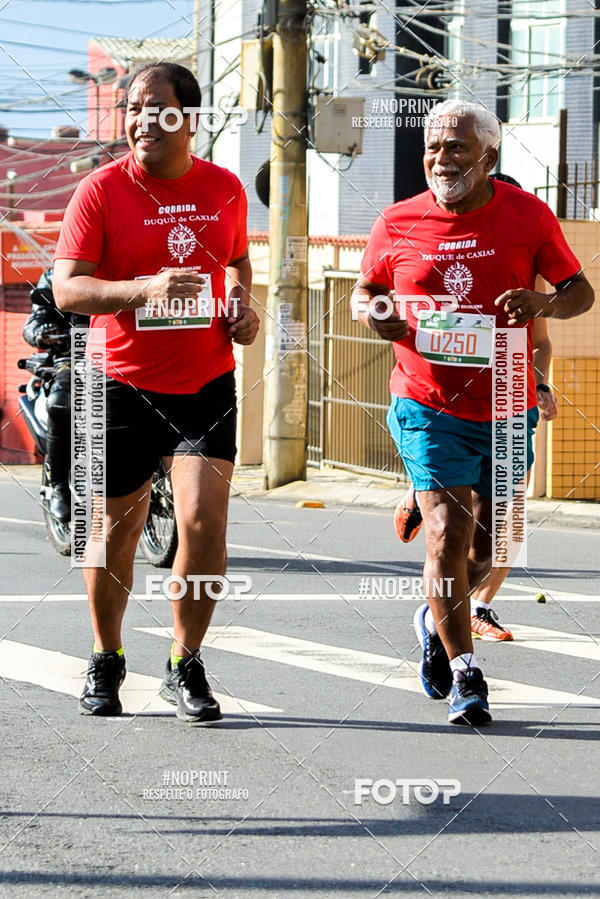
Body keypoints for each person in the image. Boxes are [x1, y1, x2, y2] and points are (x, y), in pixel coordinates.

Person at [352, 99, 593, 725]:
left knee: (489, 547)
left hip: (509, 399)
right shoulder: (398, 221)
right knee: (446, 534)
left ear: (488, 155)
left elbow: (579, 293)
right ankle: (465, 672)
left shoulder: (527, 215)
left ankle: (434, 621)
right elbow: (365, 294)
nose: (440, 158)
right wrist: (382, 316)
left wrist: (542, 303)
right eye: (433, 147)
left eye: (456, 147)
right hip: (425, 400)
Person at [53, 61, 259, 722]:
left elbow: (236, 263)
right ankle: (106, 655)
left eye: (156, 106)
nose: (141, 119)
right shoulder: (100, 191)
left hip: (204, 382)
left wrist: (242, 308)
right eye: (133, 108)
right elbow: (67, 289)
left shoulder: (225, 189)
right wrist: (141, 290)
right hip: (117, 381)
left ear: (188, 119)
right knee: (115, 529)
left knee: (203, 524)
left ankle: (184, 660)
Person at [394, 316, 559, 642]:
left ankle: (476, 607)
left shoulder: (528, 275)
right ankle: (424, 483)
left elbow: (541, 343)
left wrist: (539, 385)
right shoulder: (447, 275)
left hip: (510, 404)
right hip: (450, 407)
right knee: (457, 524)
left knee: (507, 519)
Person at [23, 267, 87, 523]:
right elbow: (34, 323)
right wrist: (42, 333)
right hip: (72, 359)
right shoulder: (56, 274)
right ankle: (59, 485)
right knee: (62, 403)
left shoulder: (125, 264)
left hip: (125, 356)